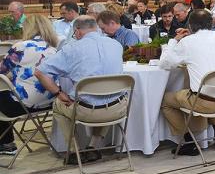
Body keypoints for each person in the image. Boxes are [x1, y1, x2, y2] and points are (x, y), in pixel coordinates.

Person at [34, 16, 126, 164]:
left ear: (77, 32)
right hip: (118, 109)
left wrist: (59, 93)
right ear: (96, 28)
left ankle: (73, 150)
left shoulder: (72, 49)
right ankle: (93, 147)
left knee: (58, 105)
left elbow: (39, 72)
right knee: (109, 96)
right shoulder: (116, 45)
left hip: (86, 111)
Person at [159, 9, 215, 155]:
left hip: (204, 103)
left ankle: (189, 142)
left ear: (191, 25)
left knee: (165, 101)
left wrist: (174, 40)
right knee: (212, 88)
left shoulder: (187, 42)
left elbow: (165, 64)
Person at [0, 15, 59, 155]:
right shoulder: (54, 49)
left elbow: (2, 70)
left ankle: (7, 143)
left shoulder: (21, 47)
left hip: (24, 104)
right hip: (50, 102)